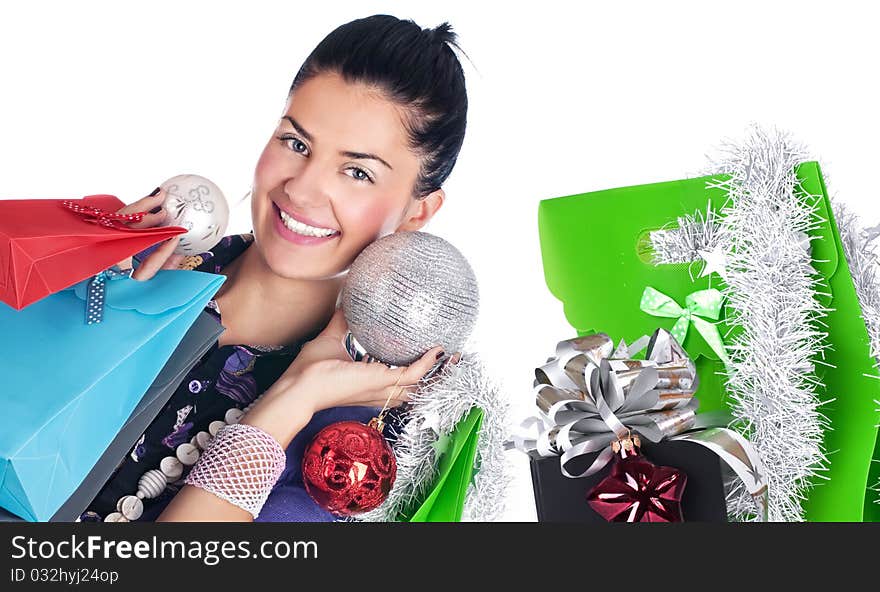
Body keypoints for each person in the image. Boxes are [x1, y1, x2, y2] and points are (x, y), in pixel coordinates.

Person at [81, 14, 469, 522]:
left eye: (357, 172)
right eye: (296, 143)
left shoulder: (358, 440)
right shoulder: (126, 271)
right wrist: (78, 290)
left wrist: (292, 400)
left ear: (418, 210)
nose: (302, 189)